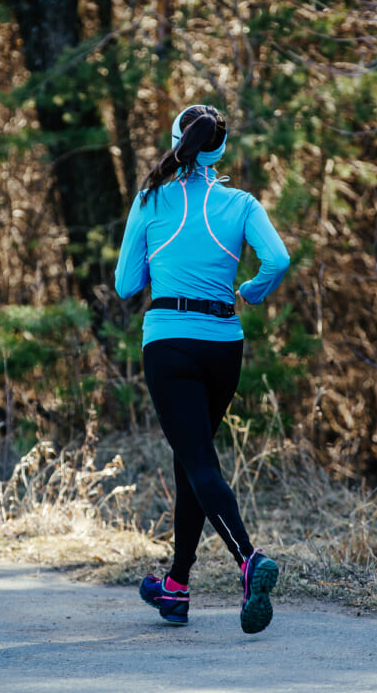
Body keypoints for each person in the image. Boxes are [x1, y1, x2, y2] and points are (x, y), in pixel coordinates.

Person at [114, 104, 290, 634]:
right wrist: (252, 291)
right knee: (194, 461)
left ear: (177, 141)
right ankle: (176, 585)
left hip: (169, 342)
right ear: (219, 150)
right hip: (224, 346)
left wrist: (158, 261)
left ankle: (248, 560)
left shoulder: (151, 199)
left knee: (198, 463)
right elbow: (277, 259)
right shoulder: (240, 204)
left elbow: (126, 285)